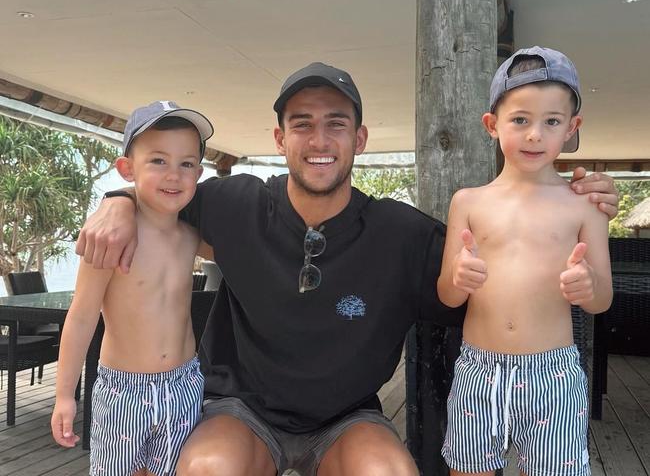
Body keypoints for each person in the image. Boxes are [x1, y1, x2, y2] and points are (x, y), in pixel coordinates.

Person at [76, 62, 619, 476]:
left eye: (336, 124)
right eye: (302, 124)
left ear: (358, 140)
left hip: (347, 419)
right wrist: (116, 202)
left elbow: (502, 273)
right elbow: (161, 193)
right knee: (206, 470)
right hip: (240, 412)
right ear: (279, 139)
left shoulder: (402, 233)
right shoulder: (234, 203)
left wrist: (560, 200)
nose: (319, 140)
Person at [437, 47, 613, 476]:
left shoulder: (585, 205)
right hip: (477, 371)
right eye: (520, 120)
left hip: (553, 373)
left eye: (551, 121)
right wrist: (460, 277)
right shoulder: (468, 202)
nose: (535, 134)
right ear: (492, 125)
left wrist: (588, 286)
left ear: (572, 128)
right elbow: (446, 294)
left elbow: (602, 300)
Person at [51, 100, 214, 476]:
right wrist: (64, 395)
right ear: (127, 169)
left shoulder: (193, 237)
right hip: (123, 390)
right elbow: (82, 316)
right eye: (158, 161)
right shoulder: (109, 239)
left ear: (198, 173)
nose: (173, 175)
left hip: (184, 384)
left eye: (186, 164)